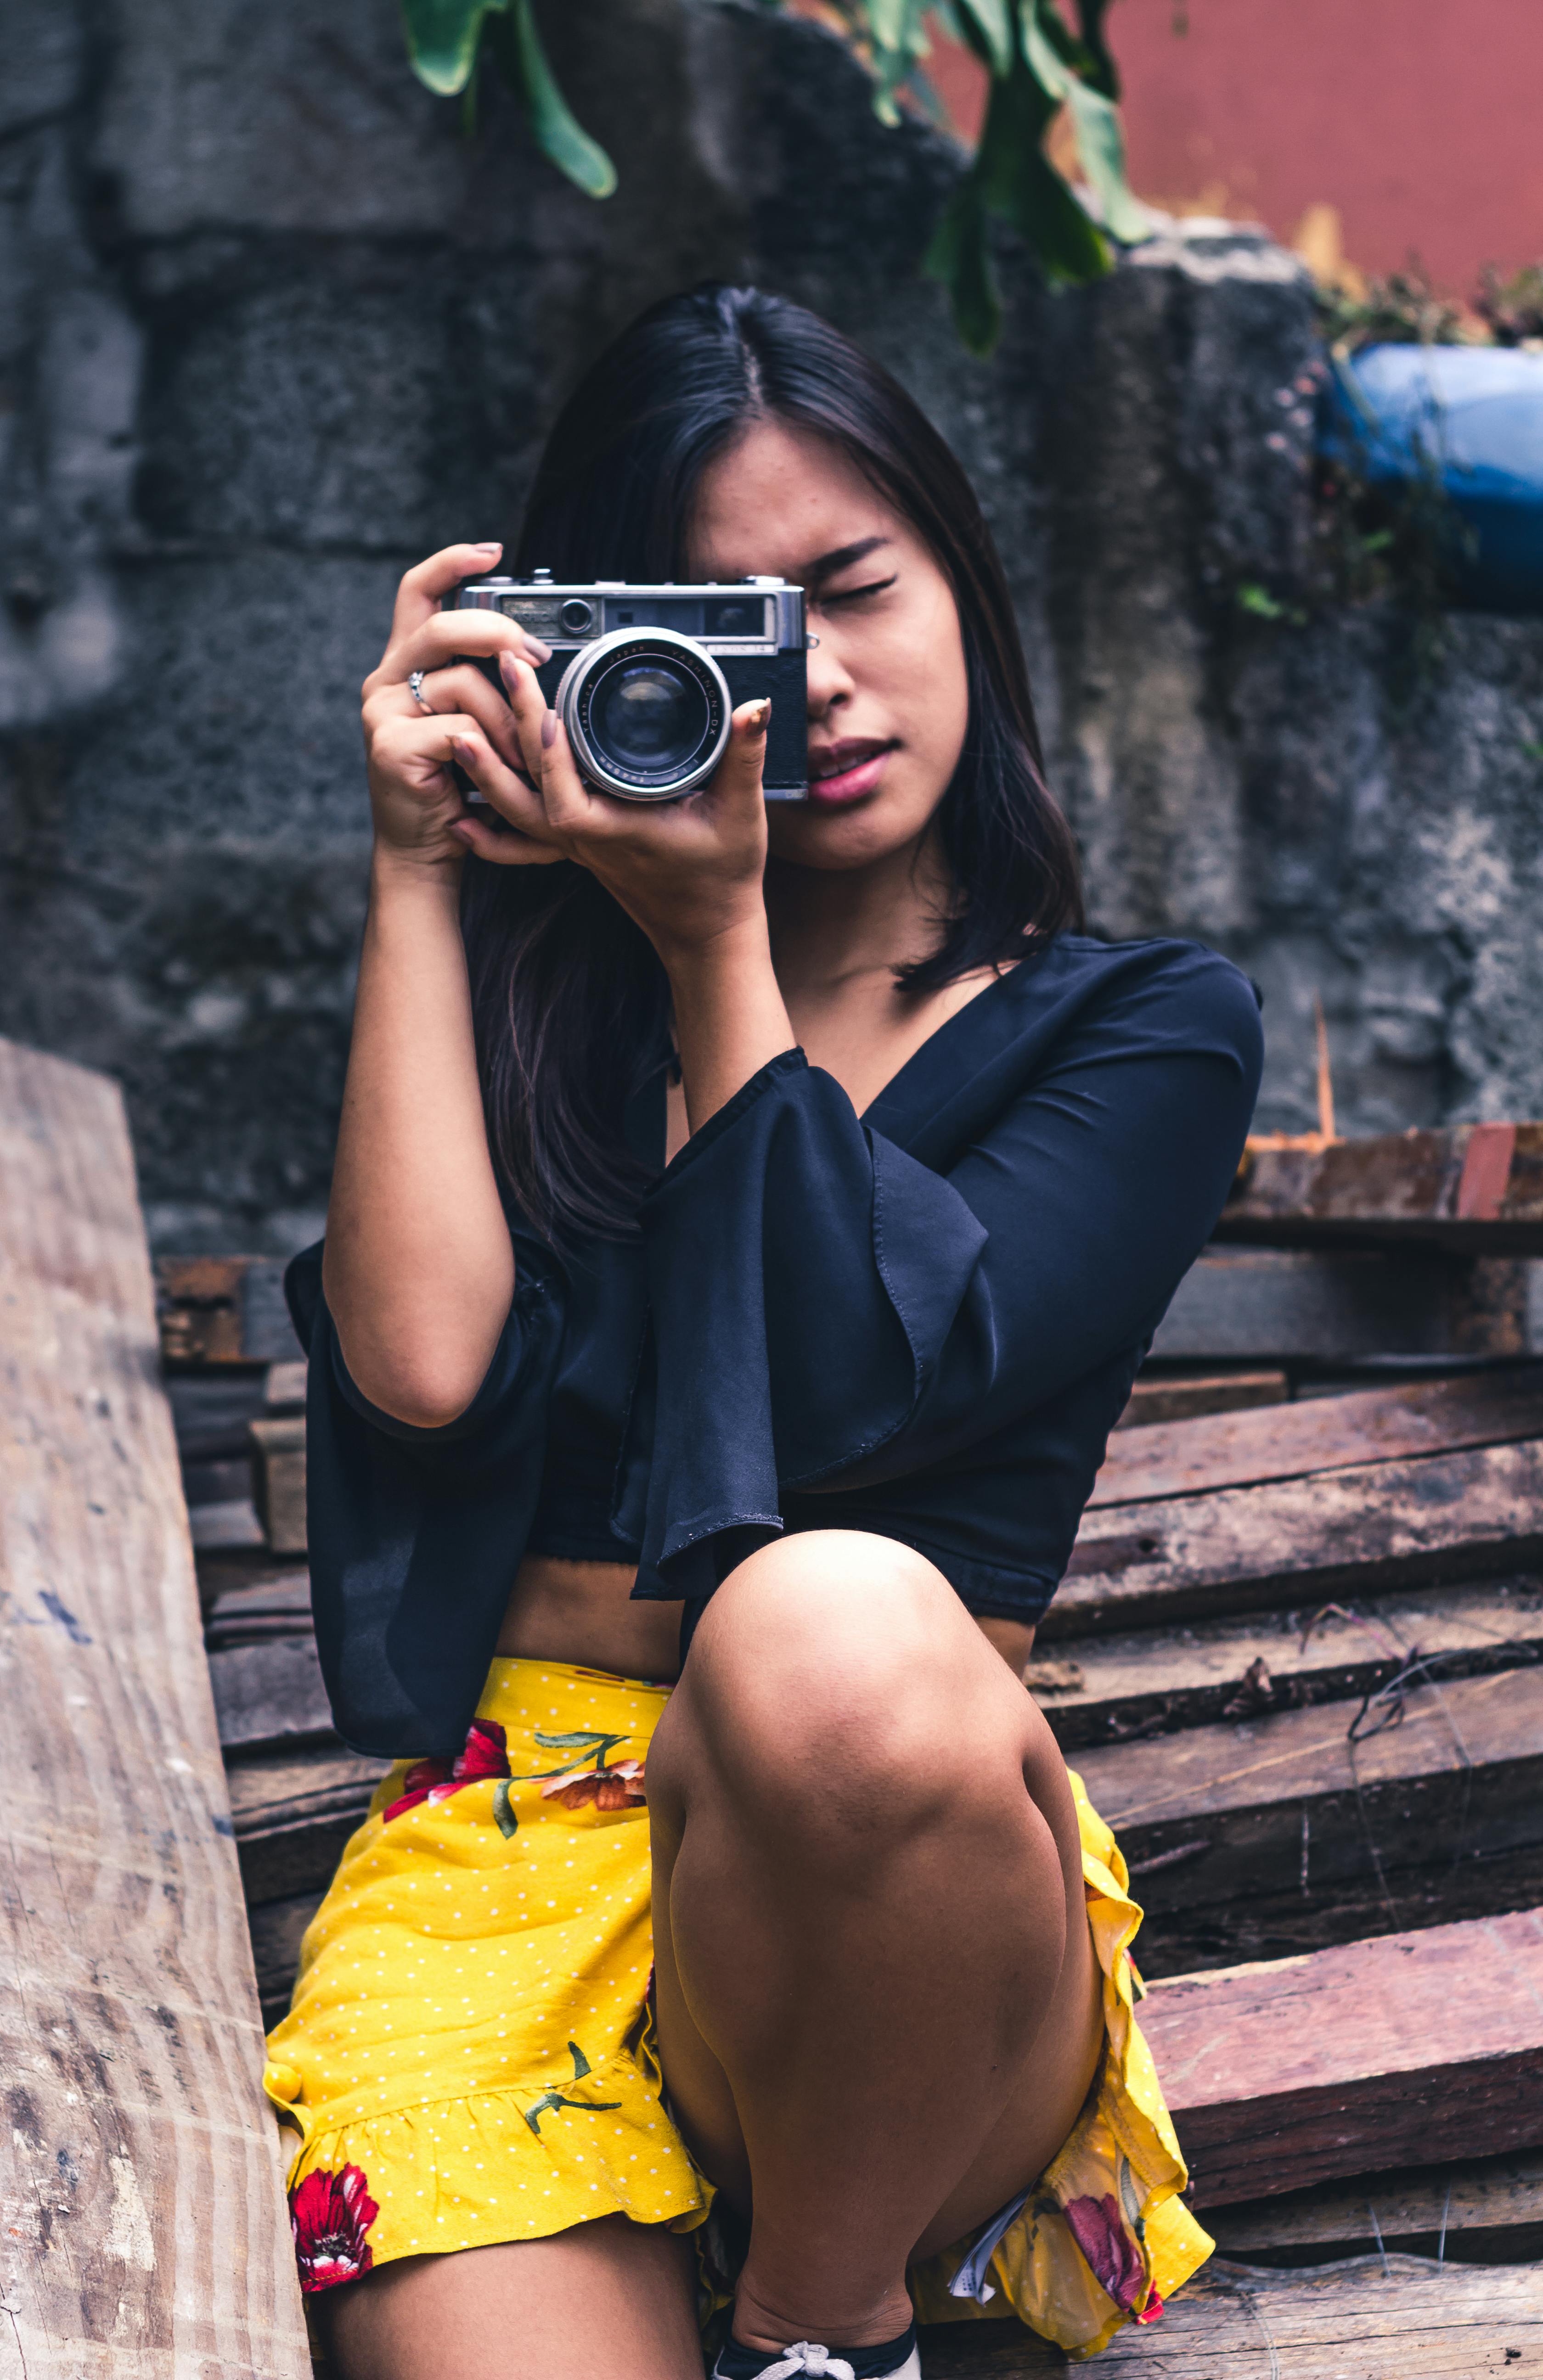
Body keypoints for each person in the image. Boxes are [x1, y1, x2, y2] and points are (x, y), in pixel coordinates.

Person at [262, 284, 1262, 2380]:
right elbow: (423, 1374)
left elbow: (845, 1401)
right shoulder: (557, 1004)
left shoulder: (1140, 1029)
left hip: (901, 1938)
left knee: (817, 1627)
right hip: (511, 1866)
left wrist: (723, 940)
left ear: (964, 586)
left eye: (852, 591)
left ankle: (824, 2330)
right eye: (730, 632)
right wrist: (418, 876)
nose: (809, 682)